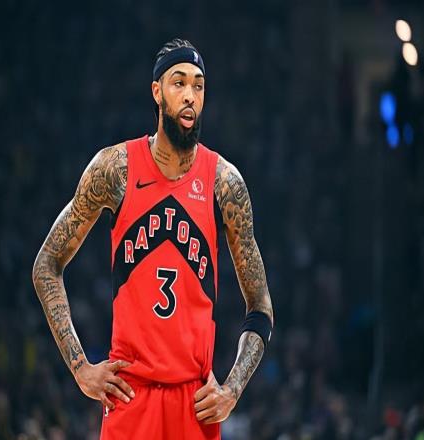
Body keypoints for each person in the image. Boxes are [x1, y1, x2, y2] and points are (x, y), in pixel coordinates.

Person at [32, 38, 274, 440]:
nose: (190, 95)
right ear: (157, 92)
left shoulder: (224, 183)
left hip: (195, 402)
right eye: (179, 83)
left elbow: (261, 305)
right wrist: (80, 367)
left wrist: (232, 389)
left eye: (199, 85)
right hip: (130, 395)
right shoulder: (116, 169)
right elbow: (46, 264)